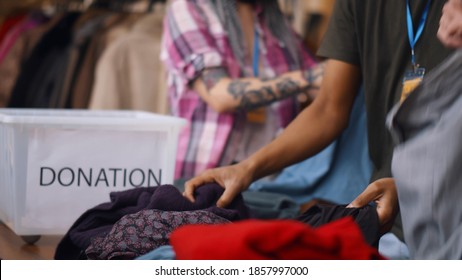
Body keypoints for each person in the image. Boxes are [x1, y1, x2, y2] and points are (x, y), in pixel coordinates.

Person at [184, 0, 455, 251]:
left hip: (446, 217)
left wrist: (413, 184)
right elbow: (328, 109)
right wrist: (246, 169)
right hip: (383, 219)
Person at [160, 0, 323, 180]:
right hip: (205, 176)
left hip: (270, 177)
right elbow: (221, 95)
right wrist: (307, 78)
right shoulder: (189, 9)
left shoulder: (273, 19)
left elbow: (322, 85)